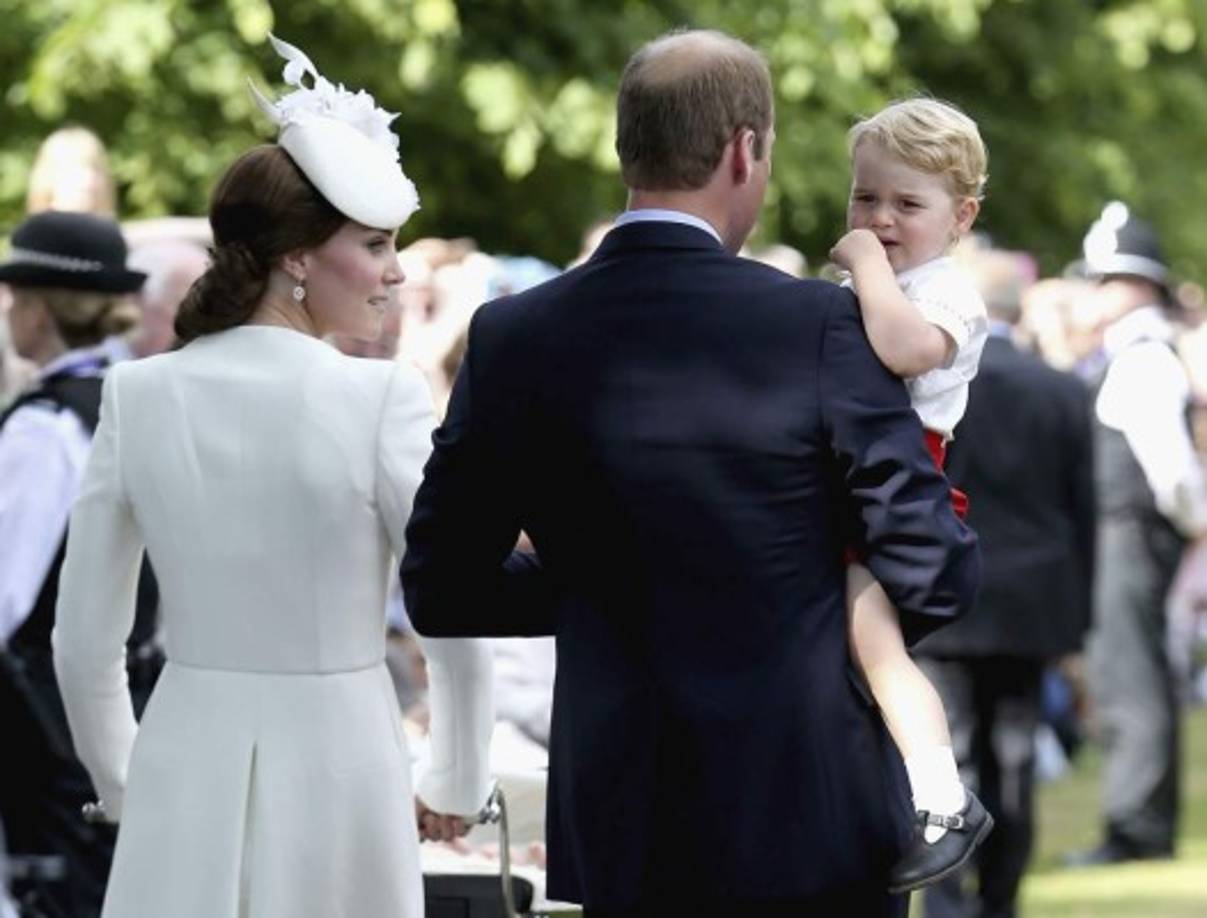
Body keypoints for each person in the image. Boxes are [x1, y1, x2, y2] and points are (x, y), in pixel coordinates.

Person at [402, 29, 980, 917]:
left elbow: (444, 586)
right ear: (745, 152)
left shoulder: (513, 335)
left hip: (621, 797)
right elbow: (928, 562)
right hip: (806, 792)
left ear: (624, 146)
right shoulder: (824, 326)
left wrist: (604, 586)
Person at [51, 36, 493, 918]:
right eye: (376, 244)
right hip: (344, 765)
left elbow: (83, 640)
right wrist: (455, 775)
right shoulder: (381, 398)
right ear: (297, 256)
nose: (396, 271)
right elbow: (449, 609)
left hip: (183, 757)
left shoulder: (135, 394)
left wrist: (126, 780)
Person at [827, 97, 993, 890]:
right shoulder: (881, 284)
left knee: (875, 644)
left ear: (960, 217)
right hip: (852, 481)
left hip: (899, 490)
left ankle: (944, 800)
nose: (880, 220)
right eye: (865, 198)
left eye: (906, 204)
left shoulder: (946, 292)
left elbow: (902, 351)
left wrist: (861, 264)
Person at [911, 250, 1096, 917]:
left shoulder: (936, 385)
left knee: (949, 752)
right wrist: (1079, 613)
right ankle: (1000, 899)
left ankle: (945, 900)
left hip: (947, 595)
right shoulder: (1061, 390)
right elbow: (1083, 509)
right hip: (1031, 601)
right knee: (1013, 755)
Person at [0, 210, 154, 918]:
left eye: (15, 299)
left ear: (40, 309)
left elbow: (6, 598)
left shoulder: (45, 427)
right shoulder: (133, 408)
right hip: (127, 708)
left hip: (44, 726)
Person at [1066, 202, 1207, 866]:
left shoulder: (1141, 358)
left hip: (1131, 535)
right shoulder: (1133, 354)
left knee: (1131, 678)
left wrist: (1194, 525)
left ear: (1135, 285)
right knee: (1130, 671)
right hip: (1128, 535)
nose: (1092, 293)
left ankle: (1137, 827)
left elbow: (1172, 470)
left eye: (1104, 280)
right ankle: (1140, 821)